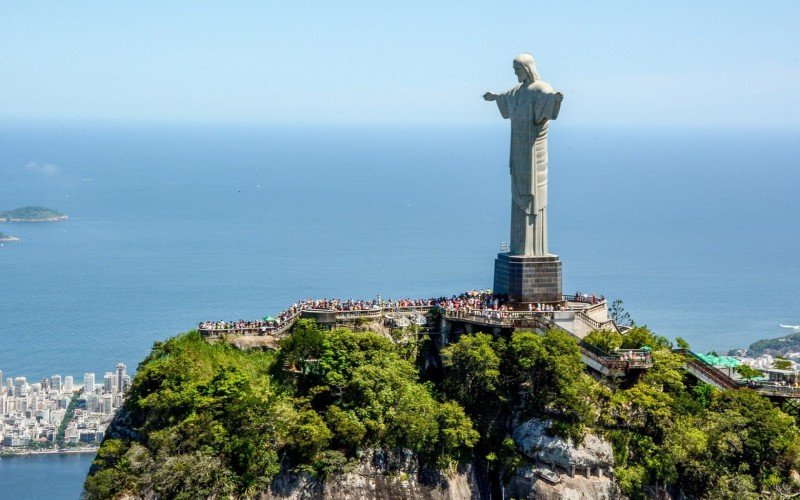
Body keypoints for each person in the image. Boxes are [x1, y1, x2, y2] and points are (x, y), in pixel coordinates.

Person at [484, 53, 563, 256]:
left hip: (533, 152)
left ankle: (534, 251)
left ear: (527, 68)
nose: (515, 73)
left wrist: (555, 100)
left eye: (517, 69)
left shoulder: (541, 89)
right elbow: (506, 99)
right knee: (518, 192)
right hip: (518, 151)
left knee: (534, 195)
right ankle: (521, 249)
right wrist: (494, 97)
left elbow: (547, 107)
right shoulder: (517, 91)